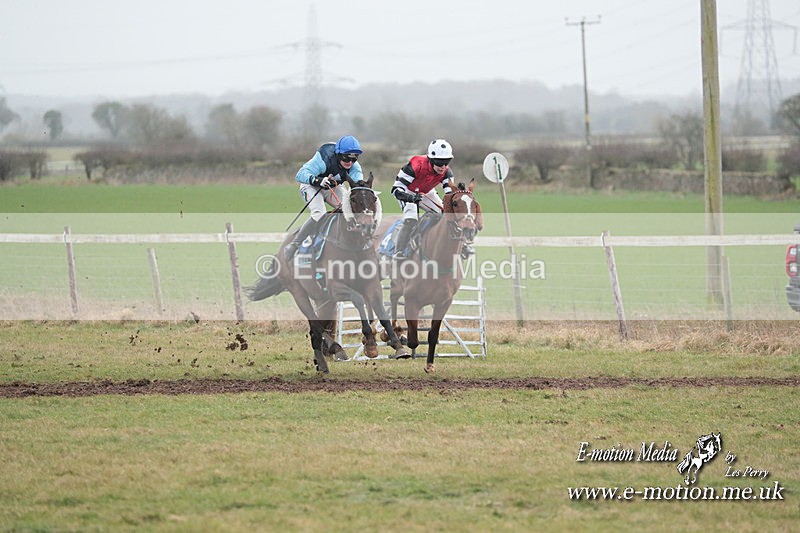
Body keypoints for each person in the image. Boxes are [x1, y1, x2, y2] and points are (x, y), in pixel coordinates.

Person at [283, 135, 365, 260]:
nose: (349, 162)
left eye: (354, 159)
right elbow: (300, 174)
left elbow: (358, 185)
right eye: (346, 158)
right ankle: (295, 244)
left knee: (349, 209)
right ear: (338, 154)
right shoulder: (324, 157)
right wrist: (317, 180)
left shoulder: (354, 166)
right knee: (319, 213)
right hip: (311, 186)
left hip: (332, 187)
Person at [390, 139, 473, 260]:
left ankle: (462, 245)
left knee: (447, 215)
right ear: (431, 160)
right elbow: (395, 190)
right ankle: (399, 251)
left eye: (446, 162)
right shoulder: (414, 166)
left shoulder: (447, 172)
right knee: (411, 219)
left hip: (427, 192)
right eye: (439, 163)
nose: (443, 167)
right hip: (407, 192)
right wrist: (411, 198)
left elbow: (449, 195)